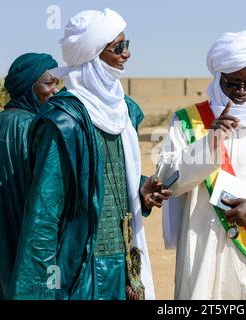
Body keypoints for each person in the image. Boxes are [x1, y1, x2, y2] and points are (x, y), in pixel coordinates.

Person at [10, 8, 171, 300]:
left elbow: (110, 181)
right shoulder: (63, 122)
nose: (127, 55)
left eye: (127, 44)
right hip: (81, 273)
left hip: (126, 266)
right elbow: (44, 213)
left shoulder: (125, 111)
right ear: (93, 55)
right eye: (118, 47)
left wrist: (140, 191)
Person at [156, 31, 246, 299]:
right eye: (233, 83)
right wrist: (209, 142)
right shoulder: (188, 121)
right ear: (218, 77)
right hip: (200, 248)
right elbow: (166, 180)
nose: (241, 92)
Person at [0, 53, 59, 299]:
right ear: (29, 87)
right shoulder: (36, 128)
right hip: (27, 247)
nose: (55, 90)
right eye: (49, 83)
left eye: (57, 83)